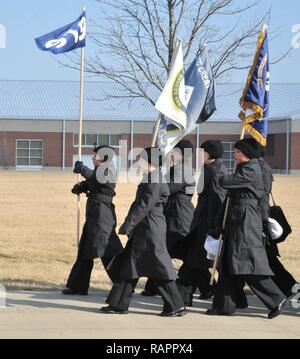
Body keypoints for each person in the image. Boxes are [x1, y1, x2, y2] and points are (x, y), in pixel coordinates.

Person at [100, 147, 186, 316]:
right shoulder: (151, 177)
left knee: (158, 268)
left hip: (150, 228)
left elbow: (144, 206)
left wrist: (128, 225)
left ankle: (176, 305)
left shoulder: (154, 179)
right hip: (145, 227)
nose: (137, 160)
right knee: (130, 265)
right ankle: (118, 304)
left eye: (141, 158)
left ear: (150, 161)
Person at [207, 138, 287, 319]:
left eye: (237, 152)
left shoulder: (251, 170)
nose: (234, 155)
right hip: (237, 218)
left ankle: (276, 299)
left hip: (246, 220)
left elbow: (226, 181)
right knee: (228, 263)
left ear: (247, 154)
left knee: (245, 264)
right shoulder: (244, 168)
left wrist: (215, 171)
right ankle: (223, 306)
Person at [62, 145, 123, 295]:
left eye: (95, 155)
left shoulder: (108, 170)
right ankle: (77, 286)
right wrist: (80, 187)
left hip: (103, 214)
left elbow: (97, 179)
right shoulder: (98, 170)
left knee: (106, 250)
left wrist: (82, 169)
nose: (92, 157)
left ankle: (124, 284)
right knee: (85, 250)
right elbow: (92, 183)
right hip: (94, 214)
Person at [176, 140, 228, 306]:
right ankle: (186, 297)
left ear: (210, 154)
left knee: (193, 262)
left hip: (208, 224)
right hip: (201, 221)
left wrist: (214, 227)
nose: (198, 155)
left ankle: (181, 299)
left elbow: (219, 201)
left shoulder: (216, 171)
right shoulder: (209, 168)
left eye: (202, 152)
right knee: (194, 261)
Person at [141, 140, 195, 296]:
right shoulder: (177, 167)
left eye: (174, 151)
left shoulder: (183, 169)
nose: (171, 154)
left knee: (168, 251)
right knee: (166, 251)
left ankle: (206, 286)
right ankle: (153, 288)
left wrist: (153, 180)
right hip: (174, 212)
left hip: (179, 215)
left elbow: (170, 187)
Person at [258, 146, 298, 297]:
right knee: (269, 259)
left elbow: (262, 196)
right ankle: (290, 287)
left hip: (260, 218)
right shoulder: (261, 167)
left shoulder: (261, 168)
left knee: (268, 259)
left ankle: (290, 287)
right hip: (259, 217)